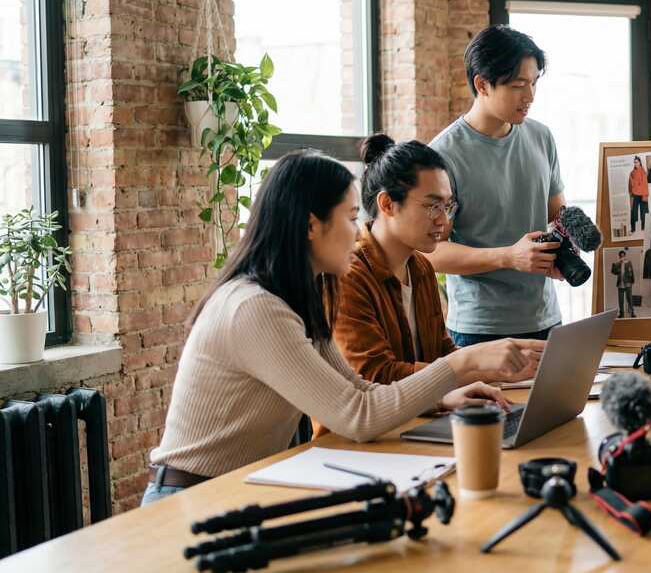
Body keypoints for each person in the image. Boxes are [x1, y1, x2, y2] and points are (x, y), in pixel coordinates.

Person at [144, 151, 537, 505]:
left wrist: (447, 391)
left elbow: (359, 390)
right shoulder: (254, 308)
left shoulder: (296, 296)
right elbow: (358, 416)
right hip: (190, 496)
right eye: (350, 219)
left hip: (240, 488)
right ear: (312, 226)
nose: (359, 230)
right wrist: (463, 364)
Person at [329, 135, 542, 430]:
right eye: (432, 206)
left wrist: (496, 369)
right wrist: (471, 362)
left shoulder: (420, 268)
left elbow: (441, 354)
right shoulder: (348, 275)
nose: (443, 220)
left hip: (417, 423)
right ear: (388, 204)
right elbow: (374, 375)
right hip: (357, 441)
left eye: (448, 206)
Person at [428, 25, 565, 346]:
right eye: (519, 85)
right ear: (482, 84)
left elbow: (558, 215)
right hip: (480, 329)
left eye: (533, 83)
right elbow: (431, 252)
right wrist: (508, 257)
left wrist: (566, 247)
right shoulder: (442, 155)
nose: (529, 96)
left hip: (548, 319)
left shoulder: (541, 137)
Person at [611, 249, 636, 318]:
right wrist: (617, 262)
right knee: (621, 300)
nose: (622, 257)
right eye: (621, 256)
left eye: (623, 256)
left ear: (625, 256)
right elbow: (613, 271)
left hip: (628, 284)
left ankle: (632, 312)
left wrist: (632, 281)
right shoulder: (617, 264)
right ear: (619, 256)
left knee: (629, 299)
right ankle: (621, 314)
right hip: (620, 284)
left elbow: (632, 272)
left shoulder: (628, 262)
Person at [629, 156, 649, 233]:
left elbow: (645, 184)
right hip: (635, 194)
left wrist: (645, 195)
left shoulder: (644, 172)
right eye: (634, 162)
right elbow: (630, 185)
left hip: (643, 194)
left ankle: (644, 227)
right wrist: (631, 193)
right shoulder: (632, 173)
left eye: (636, 162)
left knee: (644, 211)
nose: (635, 163)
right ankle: (633, 228)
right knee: (633, 211)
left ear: (640, 162)